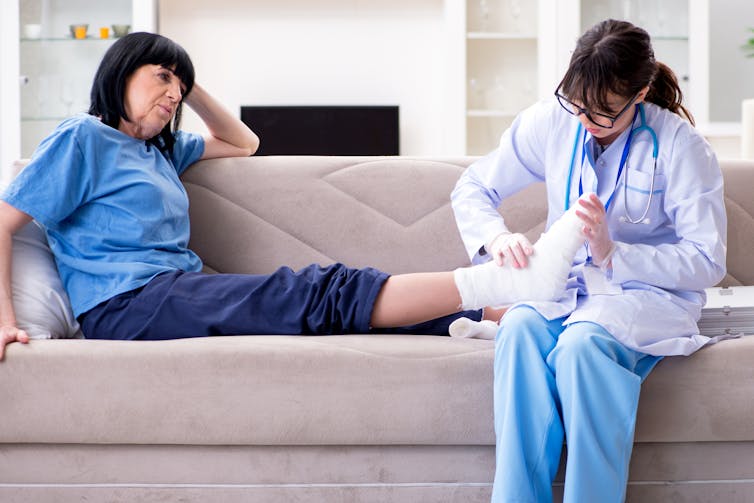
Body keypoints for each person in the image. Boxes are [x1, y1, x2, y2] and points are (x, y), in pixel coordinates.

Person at [0, 32, 587, 359]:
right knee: (312, 290)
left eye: (179, 87)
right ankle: (498, 286)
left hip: (176, 291)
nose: (174, 95)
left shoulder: (160, 150)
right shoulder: (84, 138)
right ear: (119, 71)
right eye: (161, 78)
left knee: (331, 309)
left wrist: (185, 76)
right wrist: (4, 322)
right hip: (127, 306)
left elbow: (244, 141)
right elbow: (3, 223)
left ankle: (512, 313)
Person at [451, 19, 727, 503]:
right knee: (518, 331)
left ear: (639, 95)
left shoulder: (681, 147)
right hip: (568, 291)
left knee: (583, 345)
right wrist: (495, 237)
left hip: (646, 298)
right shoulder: (554, 119)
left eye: (602, 116)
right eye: (576, 105)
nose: (584, 122)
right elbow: (473, 187)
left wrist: (613, 253)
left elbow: (707, 260)